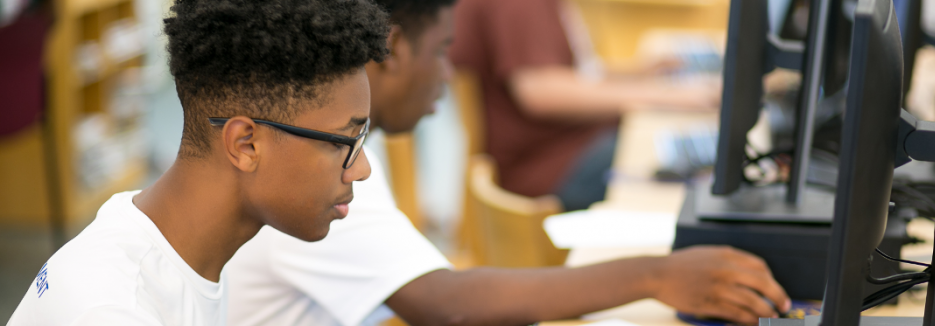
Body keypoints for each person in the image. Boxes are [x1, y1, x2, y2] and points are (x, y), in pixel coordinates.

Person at [224, 1, 790, 325]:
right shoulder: (309, 172)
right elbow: (443, 303)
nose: (448, 73)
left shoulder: (340, 154)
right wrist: (656, 274)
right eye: (443, 51)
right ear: (394, 51)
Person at [6, 0, 388, 324]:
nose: (361, 169)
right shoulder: (116, 309)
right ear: (245, 144)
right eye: (346, 141)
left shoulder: (180, 259)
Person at [449, 0, 721, 211]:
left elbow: (567, 72)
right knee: (661, 171)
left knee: (667, 157)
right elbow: (541, 91)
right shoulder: (520, 6)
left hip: (567, 148)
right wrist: (665, 96)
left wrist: (634, 74)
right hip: (546, 171)